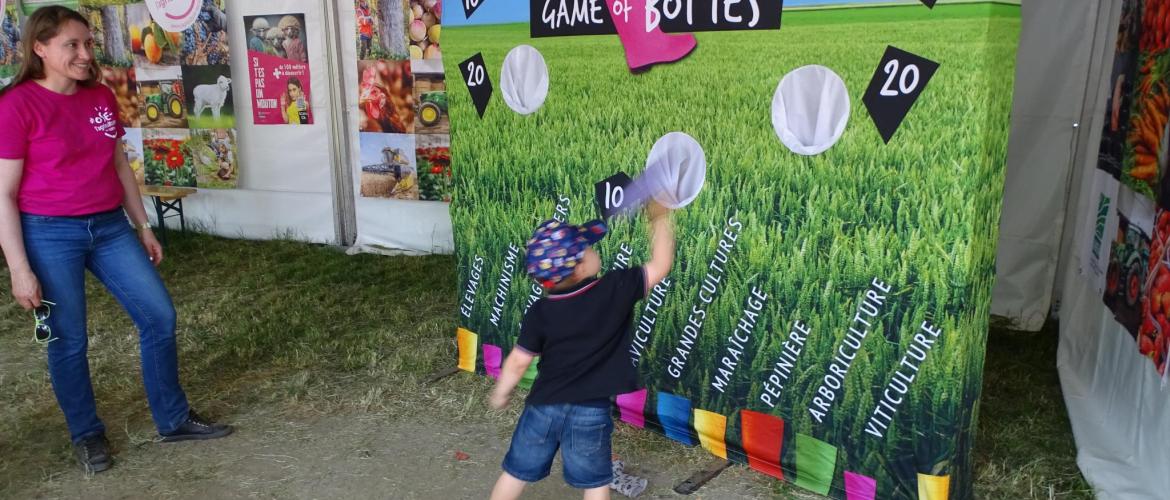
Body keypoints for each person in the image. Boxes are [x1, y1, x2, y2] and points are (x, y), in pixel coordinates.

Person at [0, 6, 231, 474]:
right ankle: (87, 435)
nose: (86, 54)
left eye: (88, 44)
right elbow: (3, 193)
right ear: (40, 48)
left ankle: (173, 419)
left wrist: (142, 224)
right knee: (68, 340)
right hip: (49, 232)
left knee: (159, 316)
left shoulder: (100, 96)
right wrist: (19, 268)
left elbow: (120, 164)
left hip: (108, 227)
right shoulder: (17, 105)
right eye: (73, 45)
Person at [488, 201, 675, 500]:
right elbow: (661, 265)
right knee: (596, 481)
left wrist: (502, 392)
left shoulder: (541, 311)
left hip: (542, 407)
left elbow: (519, 362)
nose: (594, 250)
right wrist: (661, 218)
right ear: (580, 265)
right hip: (590, 411)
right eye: (589, 248)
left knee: (515, 472)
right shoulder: (615, 288)